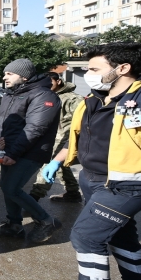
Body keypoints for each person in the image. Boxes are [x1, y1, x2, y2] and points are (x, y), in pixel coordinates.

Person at [42, 43, 141, 280]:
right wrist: (58, 160)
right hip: (93, 180)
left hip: (127, 186)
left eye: (94, 68)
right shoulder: (94, 98)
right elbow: (78, 136)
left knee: (86, 236)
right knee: (119, 235)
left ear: (123, 68)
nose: (88, 74)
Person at [0, 58, 63, 243]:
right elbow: (2, 121)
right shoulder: (10, 94)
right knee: (7, 188)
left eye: (9, 73)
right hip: (9, 149)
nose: (5, 77)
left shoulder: (44, 96)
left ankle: (46, 221)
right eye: (5, 73)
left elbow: (35, 128)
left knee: (10, 188)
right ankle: (14, 225)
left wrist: (14, 153)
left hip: (29, 151)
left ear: (25, 76)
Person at [29, 72, 83, 203]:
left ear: (58, 82)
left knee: (50, 162)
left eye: (50, 81)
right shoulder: (48, 95)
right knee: (62, 165)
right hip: (52, 136)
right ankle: (73, 193)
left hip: (66, 137)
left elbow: (85, 118)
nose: (47, 84)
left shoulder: (72, 99)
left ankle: (34, 197)